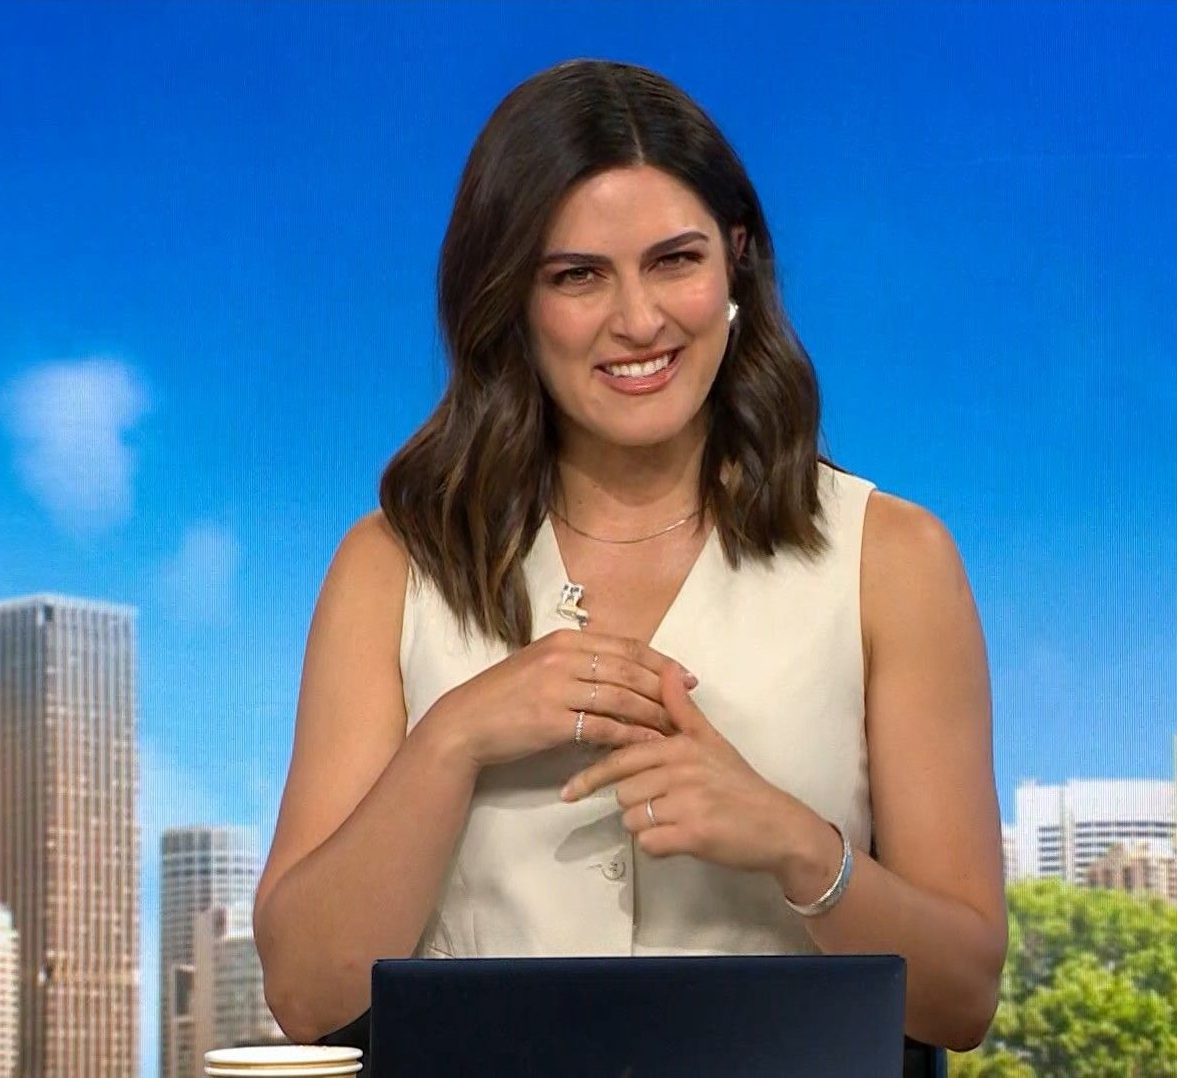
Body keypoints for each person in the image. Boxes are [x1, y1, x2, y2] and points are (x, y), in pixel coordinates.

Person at [254, 58, 1007, 1060]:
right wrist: (451, 741)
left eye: (675, 261)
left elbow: (962, 999)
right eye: (578, 276)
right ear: (509, 299)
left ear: (737, 261)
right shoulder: (392, 566)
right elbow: (304, 995)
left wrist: (796, 846)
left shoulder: (893, 559)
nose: (640, 320)